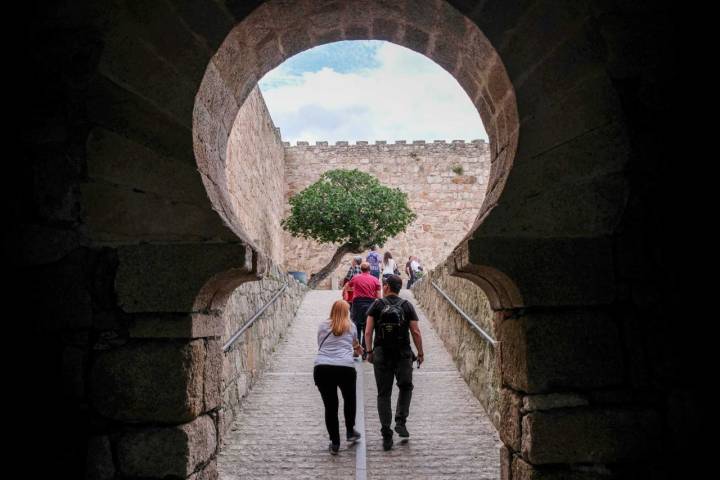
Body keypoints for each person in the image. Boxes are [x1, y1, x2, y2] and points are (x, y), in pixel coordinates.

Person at [364, 275, 424, 451]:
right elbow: (416, 331)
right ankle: (400, 421)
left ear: (388, 286)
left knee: (384, 393)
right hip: (403, 353)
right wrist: (420, 352)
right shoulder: (407, 306)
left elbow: (368, 332)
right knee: (406, 387)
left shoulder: (377, 305)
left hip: (381, 353)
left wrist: (369, 352)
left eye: (384, 285)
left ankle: (386, 434)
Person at [314, 300, 363, 455]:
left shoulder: (322, 326)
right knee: (350, 400)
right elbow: (356, 350)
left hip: (322, 367)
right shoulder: (352, 326)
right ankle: (350, 431)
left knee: (330, 407)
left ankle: (335, 443)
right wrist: (358, 350)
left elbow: (320, 344)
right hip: (345, 368)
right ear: (347, 312)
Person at [346, 262, 381, 356]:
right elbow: (379, 296)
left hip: (357, 304)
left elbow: (348, 287)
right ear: (370, 270)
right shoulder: (375, 280)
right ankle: (366, 351)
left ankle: (357, 350)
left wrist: (356, 291)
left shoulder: (355, 277)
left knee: (356, 326)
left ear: (361, 269)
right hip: (370, 304)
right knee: (367, 327)